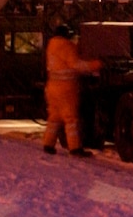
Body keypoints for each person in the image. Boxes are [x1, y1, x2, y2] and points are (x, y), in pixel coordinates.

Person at [42, 22, 101, 156]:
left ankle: (48, 144)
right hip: (66, 88)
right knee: (70, 119)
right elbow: (76, 65)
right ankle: (75, 148)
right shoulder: (66, 46)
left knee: (54, 117)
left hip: (52, 86)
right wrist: (96, 65)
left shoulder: (51, 46)